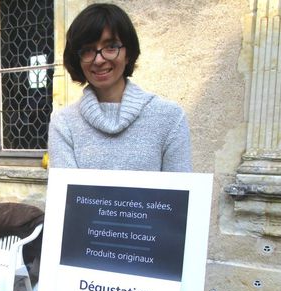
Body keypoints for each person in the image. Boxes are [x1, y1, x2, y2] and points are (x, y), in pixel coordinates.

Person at [48, 3, 192, 172]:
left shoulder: (170, 118)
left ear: (128, 53)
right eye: (87, 50)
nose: (99, 60)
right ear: (78, 60)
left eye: (111, 47)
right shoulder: (64, 123)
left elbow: (178, 195)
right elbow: (67, 196)